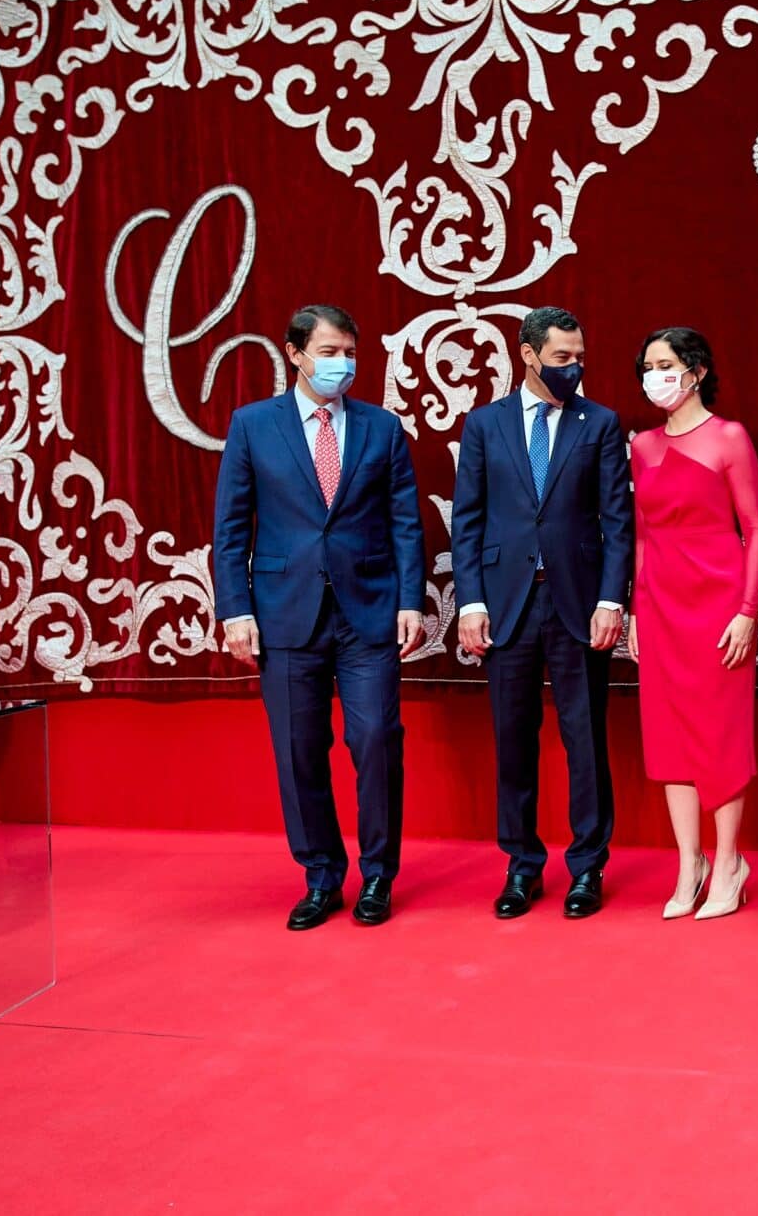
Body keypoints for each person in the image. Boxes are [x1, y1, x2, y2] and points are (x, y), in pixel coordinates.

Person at [213, 304, 426, 930]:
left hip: (369, 613)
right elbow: (230, 528)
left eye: (350, 353)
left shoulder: (382, 429)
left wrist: (410, 600)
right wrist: (235, 609)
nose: (343, 364)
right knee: (299, 750)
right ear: (295, 353)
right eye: (330, 352)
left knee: (376, 740)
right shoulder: (253, 425)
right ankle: (321, 877)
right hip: (285, 616)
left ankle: (378, 876)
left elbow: (406, 524)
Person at [451, 307, 633, 920]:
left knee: (585, 739)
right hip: (504, 604)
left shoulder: (600, 423)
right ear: (528, 355)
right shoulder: (484, 425)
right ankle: (522, 865)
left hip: (580, 603)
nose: (573, 369)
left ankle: (587, 867)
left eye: (579, 358)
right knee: (513, 739)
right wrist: (470, 601)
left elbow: (617, 519)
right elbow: (468, 520)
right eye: (560, 358)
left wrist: (613, 598)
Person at [628, 328, 758, 920]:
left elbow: (756, 528)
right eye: (648, 365)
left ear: (697, 371)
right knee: (667, 738)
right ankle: (690, 863)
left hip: (717, 607)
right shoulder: (640, 445)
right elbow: (639, 534)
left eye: (666, 364)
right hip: (659, 606)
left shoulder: (730, 438)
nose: (655, 375)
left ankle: (729, 860)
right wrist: (635, 608)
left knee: (719, 734)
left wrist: (747, 611)